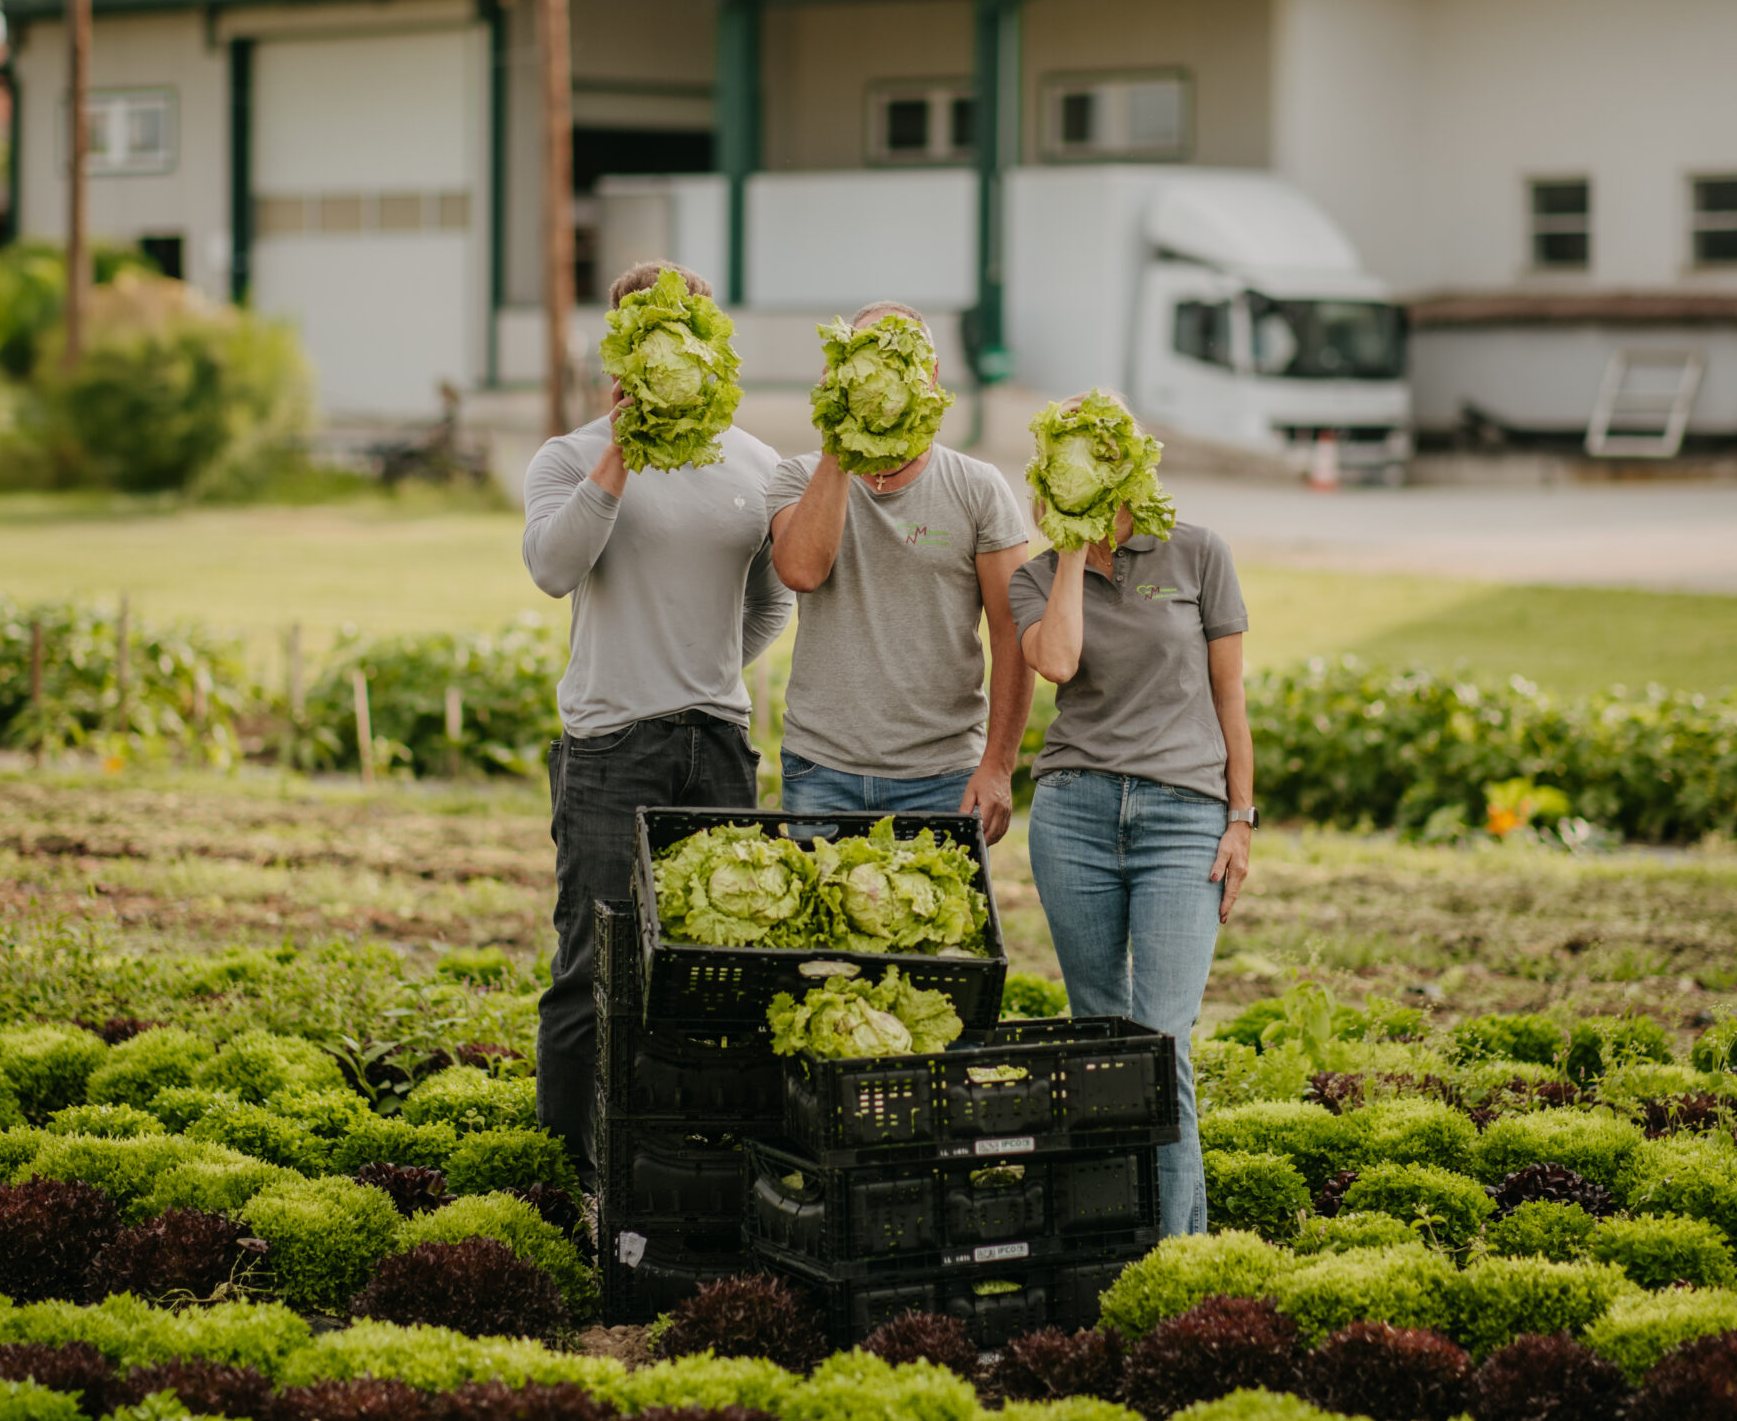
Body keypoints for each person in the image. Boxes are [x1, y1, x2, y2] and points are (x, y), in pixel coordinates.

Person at [522, 260, 793, 1182]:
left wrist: (708, 671)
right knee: (592, 969)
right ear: (620, 343)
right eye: (646, 330)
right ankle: (567, 1178)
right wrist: (620, 454)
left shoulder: (759, 466)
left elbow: (771, 604)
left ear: (712, 340)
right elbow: (554, 567)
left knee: (716, 969)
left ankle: (688, 1170)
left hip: (718, 741)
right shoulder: (568, 455)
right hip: (608, 744)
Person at [1008, 396, 1254, 1237]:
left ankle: (1177, 1252)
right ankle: (1111, 1238)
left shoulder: (1198, 553)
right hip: (1073, 815)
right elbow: (1060, 660)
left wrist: (1241, 817)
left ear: (1126, 465)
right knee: (1098, 1040)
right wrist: (1073, 548)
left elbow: (1231, 696)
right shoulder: (1035, 576)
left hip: (1183, 817)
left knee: (1161, 1041)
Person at [767, 301, 1032, 841]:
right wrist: (842, 438)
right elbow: (801, 571)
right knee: (819, 927)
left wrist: (998, 765)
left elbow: (1012, 632)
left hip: (943, 776)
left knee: (937, 927)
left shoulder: (978, 487)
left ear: (930, 376)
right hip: (821, 770)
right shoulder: (796, 477)